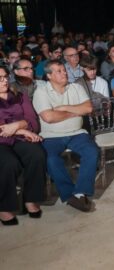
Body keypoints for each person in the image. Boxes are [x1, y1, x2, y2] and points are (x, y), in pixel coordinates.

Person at [33, 60, 97, 212]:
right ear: (49, 76)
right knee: (51, 159)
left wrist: (63, 108)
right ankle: (69, 194)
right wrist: (74, 112)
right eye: (59, 71)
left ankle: (80, 193)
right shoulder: (41, 92)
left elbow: (88, 108)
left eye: (64, 70)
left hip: (77, 133)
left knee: (92, 152)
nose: (64, 73)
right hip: (51, 136)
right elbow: (49, 117)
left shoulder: (76, 87)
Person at [0, 66, 45, 225]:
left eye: (5, 77)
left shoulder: (19, 95)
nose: (4, 81)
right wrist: (22, 130)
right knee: (9, 163)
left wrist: (18, 125)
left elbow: (32, 120)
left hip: (18, 139)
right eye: (0, 78)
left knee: (37, 154)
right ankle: (4, 207)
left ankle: (30, 199)